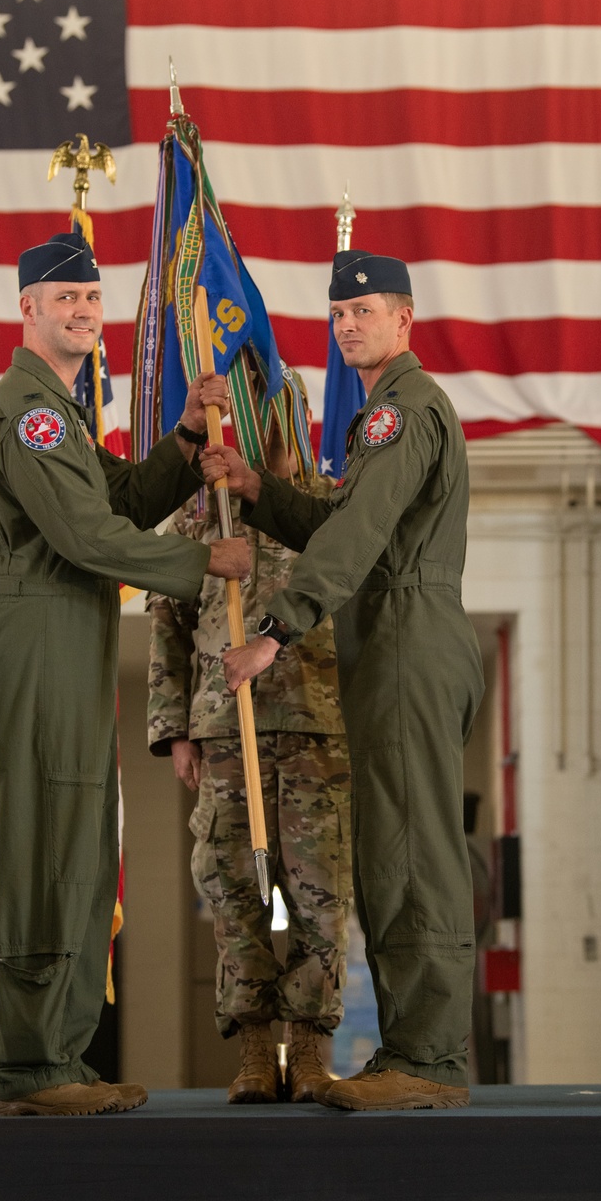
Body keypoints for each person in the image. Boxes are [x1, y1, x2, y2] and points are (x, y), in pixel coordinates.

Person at [0, 231, 249, 1117]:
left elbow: (114, 503)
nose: (84, 312)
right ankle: (28, 1068)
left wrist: (185, 438)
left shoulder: (66, 412)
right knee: (50, 846)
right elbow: (87, 537)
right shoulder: (32, 412)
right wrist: (209, 564)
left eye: (92, 298)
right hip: (37, 627)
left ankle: (60, 1057)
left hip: (69, 629)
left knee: (82, 845)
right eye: (66, 300)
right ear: (28, 310)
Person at [201, 249, 484, 1111]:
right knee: (397, 848)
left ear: (405, 320)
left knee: (410, 855)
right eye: (340, 314)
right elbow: (340, 517)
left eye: (368, 311)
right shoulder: (385, 414)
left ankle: (427, 1061)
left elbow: (357, 538)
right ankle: (415, 1049)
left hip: (405, 634)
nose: (350, 324)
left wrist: (276, 631)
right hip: (394, 637)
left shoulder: (403, 410)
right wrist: (261, 489)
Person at [146, 375, 351, 1103]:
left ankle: (313, 1049)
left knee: (321, 897)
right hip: (224, 730)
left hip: (315, 732)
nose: (266, 436)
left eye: (278, 423)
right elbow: (167, 632)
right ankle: (257, 1054)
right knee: (232, 892)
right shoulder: (201, 523)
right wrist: (175, 734)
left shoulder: (329, 512)